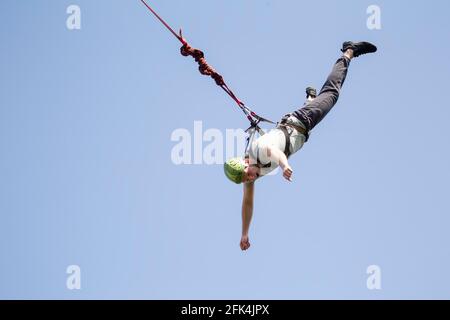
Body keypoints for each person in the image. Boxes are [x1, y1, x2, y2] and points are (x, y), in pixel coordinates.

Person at [223, 41, 378, 250]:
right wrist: (244, 233)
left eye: (246, 174)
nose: (251, 178)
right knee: (321, 99)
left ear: (244, 162)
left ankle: (348, 52)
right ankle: (310, 97)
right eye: (246, 179)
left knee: (332, 94)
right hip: (301, 129)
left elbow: (275, 152)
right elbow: (247, 204)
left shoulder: (259, 149)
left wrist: (284, 166)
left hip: (304, 120)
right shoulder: (252, 172)